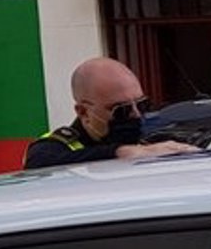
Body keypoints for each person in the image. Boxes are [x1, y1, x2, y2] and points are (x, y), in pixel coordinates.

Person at [23, 57, 198, 169]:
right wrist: (120, 153)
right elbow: (39, 163)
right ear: (83, 112)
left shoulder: (153, 140)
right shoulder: (54, 148)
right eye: (122, 110)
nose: (136, 115)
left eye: (142, 105)